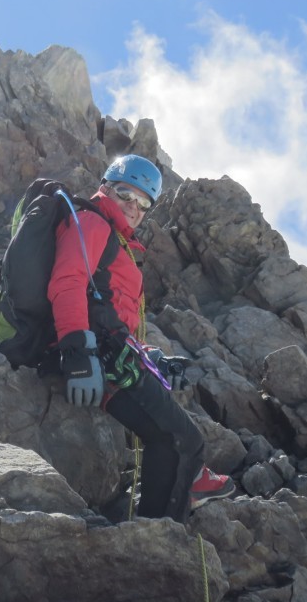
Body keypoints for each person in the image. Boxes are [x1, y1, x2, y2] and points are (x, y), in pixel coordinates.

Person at [48, 154, 235, 523]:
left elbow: (109, 314)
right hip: (95, 357)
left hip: (108, 354)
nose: (134, 206)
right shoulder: (92, 222)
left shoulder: (113, 236)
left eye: (144, 202)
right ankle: (160, 533)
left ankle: (162, 517)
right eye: (125, 194)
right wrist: (77, 352)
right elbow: (66, 283)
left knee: (173, 439)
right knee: (183, 441)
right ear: (105, 187)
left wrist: (152, 356)